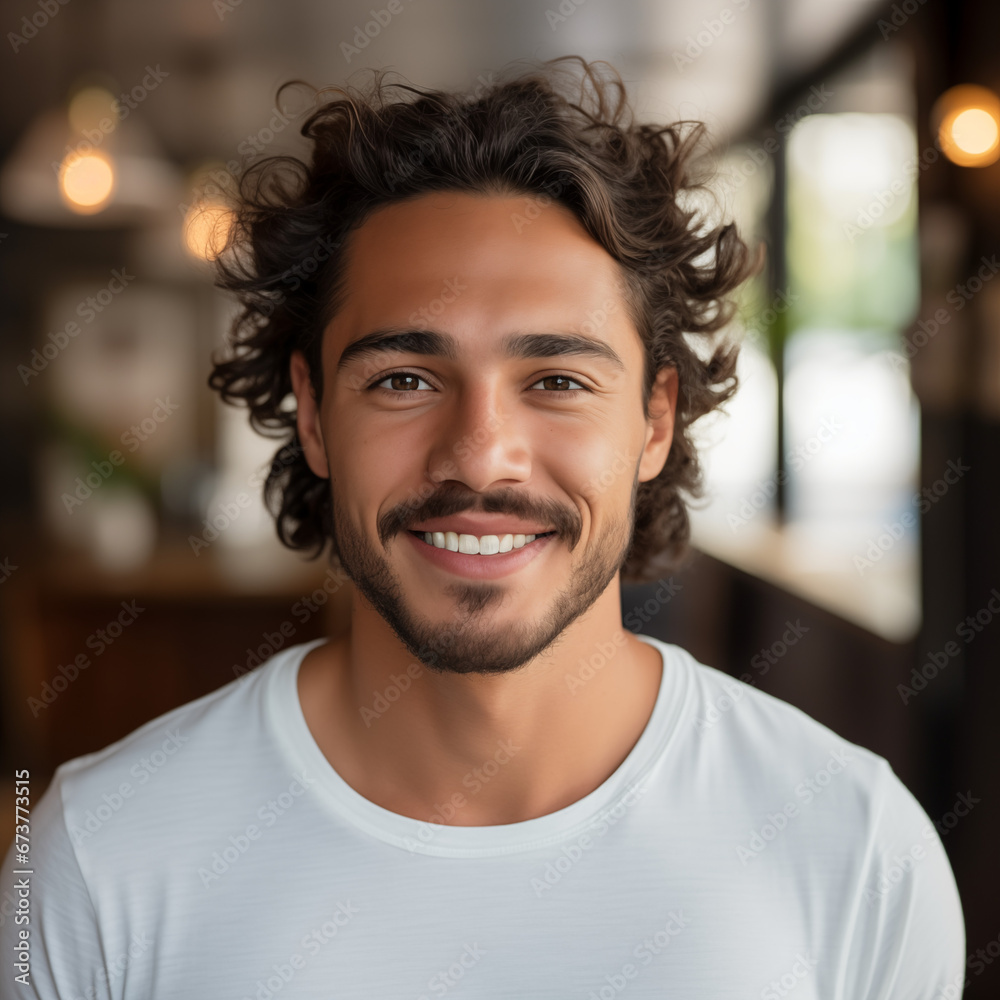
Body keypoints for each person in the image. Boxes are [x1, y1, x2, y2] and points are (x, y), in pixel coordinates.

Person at [2, 56, 964, 998]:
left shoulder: (854, 844)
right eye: (405, 380)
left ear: (655, 420)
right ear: (312, 415)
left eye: (556, 381)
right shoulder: (98, 859)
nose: (479, 454)